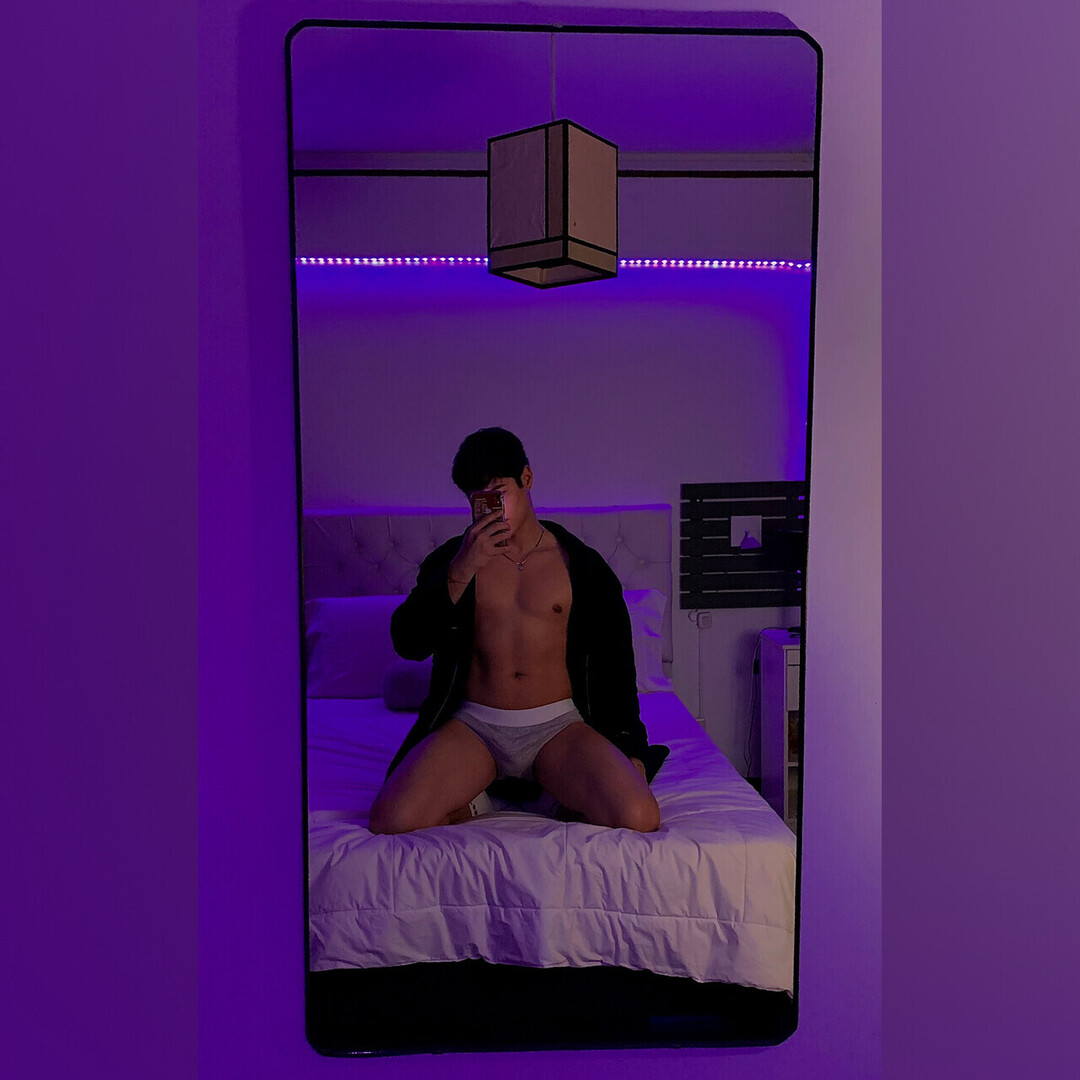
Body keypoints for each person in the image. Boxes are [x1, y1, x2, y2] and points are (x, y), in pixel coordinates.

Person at [368, 427, 669, 835]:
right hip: (475, 725)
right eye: (477, 500)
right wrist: (461, 569)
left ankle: (547, 793)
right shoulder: (452, 561)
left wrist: (629, 748)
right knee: (391, 820)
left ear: (526, 478)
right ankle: (482, 801)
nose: (489, 510)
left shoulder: (582, 566)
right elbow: (408, 642)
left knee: (639, 817)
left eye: (498, 493)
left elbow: (615, 669)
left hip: (558, 726)